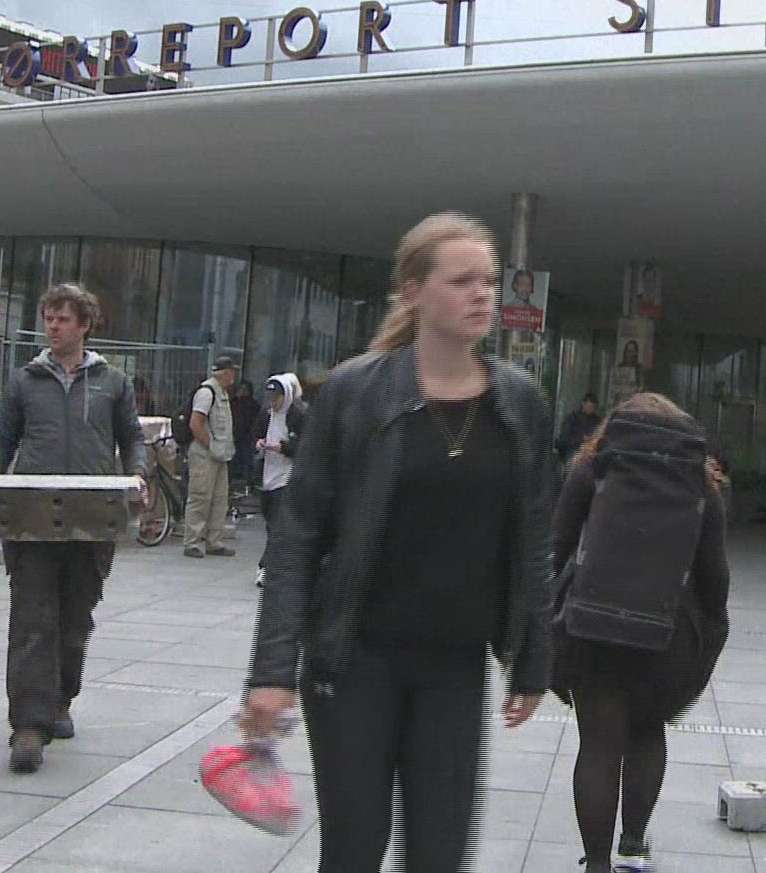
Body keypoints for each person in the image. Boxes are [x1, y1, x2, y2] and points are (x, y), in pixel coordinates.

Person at [241, 212, 555, 872]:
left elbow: (532, 539)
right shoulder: (356, 391)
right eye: (462, 280)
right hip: (354, 659)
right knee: (354, 848)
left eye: (489, 280)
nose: (483, 294)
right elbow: (297, 537)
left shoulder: (518, 400)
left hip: (455, 663)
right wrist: (271, 673)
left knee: (439, 854)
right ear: (413, 292)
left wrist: (533, 659)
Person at [552, 394, 729, 873]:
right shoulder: (700, 485)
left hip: (592, 628)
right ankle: (632, 846)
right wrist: (709, 636)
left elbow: (557, 547)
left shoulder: (592, 470)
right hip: (666, 633)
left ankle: (596, 864)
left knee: (598, 745)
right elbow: (715, 579)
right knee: (648, 734)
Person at [0, 283, 148, 774]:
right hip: (32, 519)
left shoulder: (113, 382)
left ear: (84, 324)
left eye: (63, 319)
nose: (54, 327)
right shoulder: (23, 381)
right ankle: (28, 726)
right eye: (49, 318)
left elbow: (132, 437)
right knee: (32, 619)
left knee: (75, 619)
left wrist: (137, 476)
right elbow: (2, 440)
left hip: (92, 517)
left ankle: (61, 700)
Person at [252, 373, 309, 589]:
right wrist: (260, 443)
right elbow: (255, 434)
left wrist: (284, 447)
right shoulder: (266, 414)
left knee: (277, 523)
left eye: (276, 398)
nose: (273, 402)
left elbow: (308, 446)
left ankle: (266, 566)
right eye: (270, 397)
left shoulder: (299, 415)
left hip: (287, 477)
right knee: (271, 522)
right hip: (267, 474)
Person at [184, 355, 240, 559]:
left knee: (219, 499)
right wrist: (211, 446)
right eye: (232, 372)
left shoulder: (221, 393)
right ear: (225, 373)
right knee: (200, 497)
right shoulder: (206, 393)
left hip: (220, 455)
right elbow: (195, 423)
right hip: (204, 455)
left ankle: (214, 541)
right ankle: (192, 542)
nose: (234, 376)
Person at [556, 394, 604, 464]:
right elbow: (564, 438)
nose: (590, 409)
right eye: (589, 407)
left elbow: (601, 437)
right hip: (574, 450)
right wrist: (581, 439)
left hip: (590, 453)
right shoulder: (573, 418)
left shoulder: (597, 420)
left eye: (592, 407)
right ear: (583, 404)